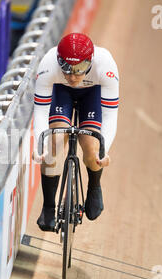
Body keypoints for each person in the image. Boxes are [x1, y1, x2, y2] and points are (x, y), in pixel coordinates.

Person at [33, 33, 119, 231]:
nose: (72, 76)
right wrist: (42, 146)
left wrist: (103, 151)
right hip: (61, 92)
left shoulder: (105, 65)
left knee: (92, 146)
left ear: (90, 61)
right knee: (53, 143)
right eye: (66, 68)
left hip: (92, 93)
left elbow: (109, 116)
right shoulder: (48, 64)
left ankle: (94, 185)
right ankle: (48, 207)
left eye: (79, 69)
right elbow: (40, 110)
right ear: (58, 61)